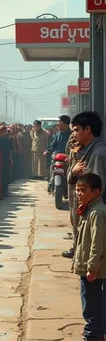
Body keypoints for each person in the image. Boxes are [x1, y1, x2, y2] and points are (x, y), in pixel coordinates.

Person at [65, 173, 106, 341]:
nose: (78, 194)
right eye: (77, 190)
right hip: (90, 266)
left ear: (97, 192)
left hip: (93, 269)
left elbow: (97, 243)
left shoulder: (97, 212)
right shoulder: (89, 209)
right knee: (96, 301)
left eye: (83, 190)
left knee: (90, 303)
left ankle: (91, 339)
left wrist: (92, 267)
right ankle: (99, 337)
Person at [64, 111, 106, 260]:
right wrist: (73, 173)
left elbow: (96, 188)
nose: (74, 134)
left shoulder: (98, 153)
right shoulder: (86, 152)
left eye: (76, 130)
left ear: (87, 130)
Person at [0, 125, 13, 198]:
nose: (5, 132)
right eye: (4, 131)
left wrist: (10, 158)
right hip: (0, 159)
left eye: (5, 131)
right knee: (1, 175)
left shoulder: (7, 140)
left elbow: (10, 150)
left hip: (6, 159)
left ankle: (5, 190)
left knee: (6, 175)